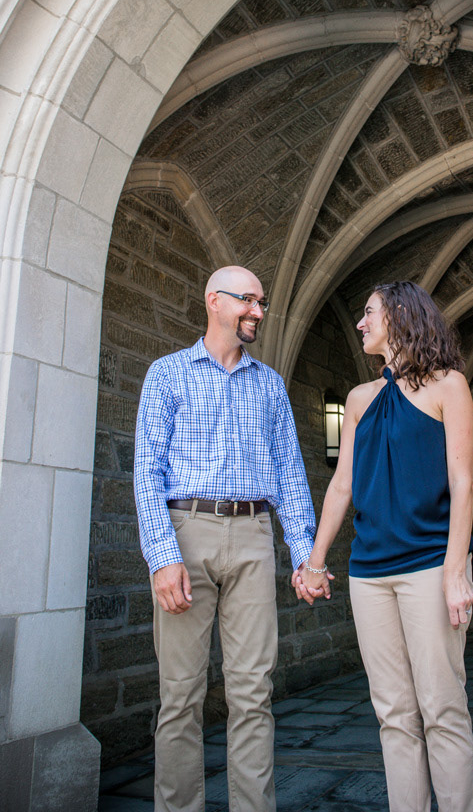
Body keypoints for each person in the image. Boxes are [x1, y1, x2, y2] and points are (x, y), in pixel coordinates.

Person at [134, 265, 316, 812]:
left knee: (253, 695)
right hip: (186, 533)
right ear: (214, 301)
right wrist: (163, 558)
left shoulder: (271, 385)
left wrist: (304, 555)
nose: (259, 311)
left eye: (261, 303)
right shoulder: (166, 374)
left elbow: (289, 474)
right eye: (249, 301)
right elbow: (147, 471)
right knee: (180, 697)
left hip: (256, 537)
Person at [293, 280, 473, 812]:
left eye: (368, 312)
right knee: (394, 714)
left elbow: (463, 483)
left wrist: (454, 572)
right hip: (368, 574)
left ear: (398, 314)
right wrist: (314, 560)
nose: (360, 323)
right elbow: (343, 485)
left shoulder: (449, 386)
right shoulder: (357, 399)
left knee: (442, 709)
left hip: (428, 566)